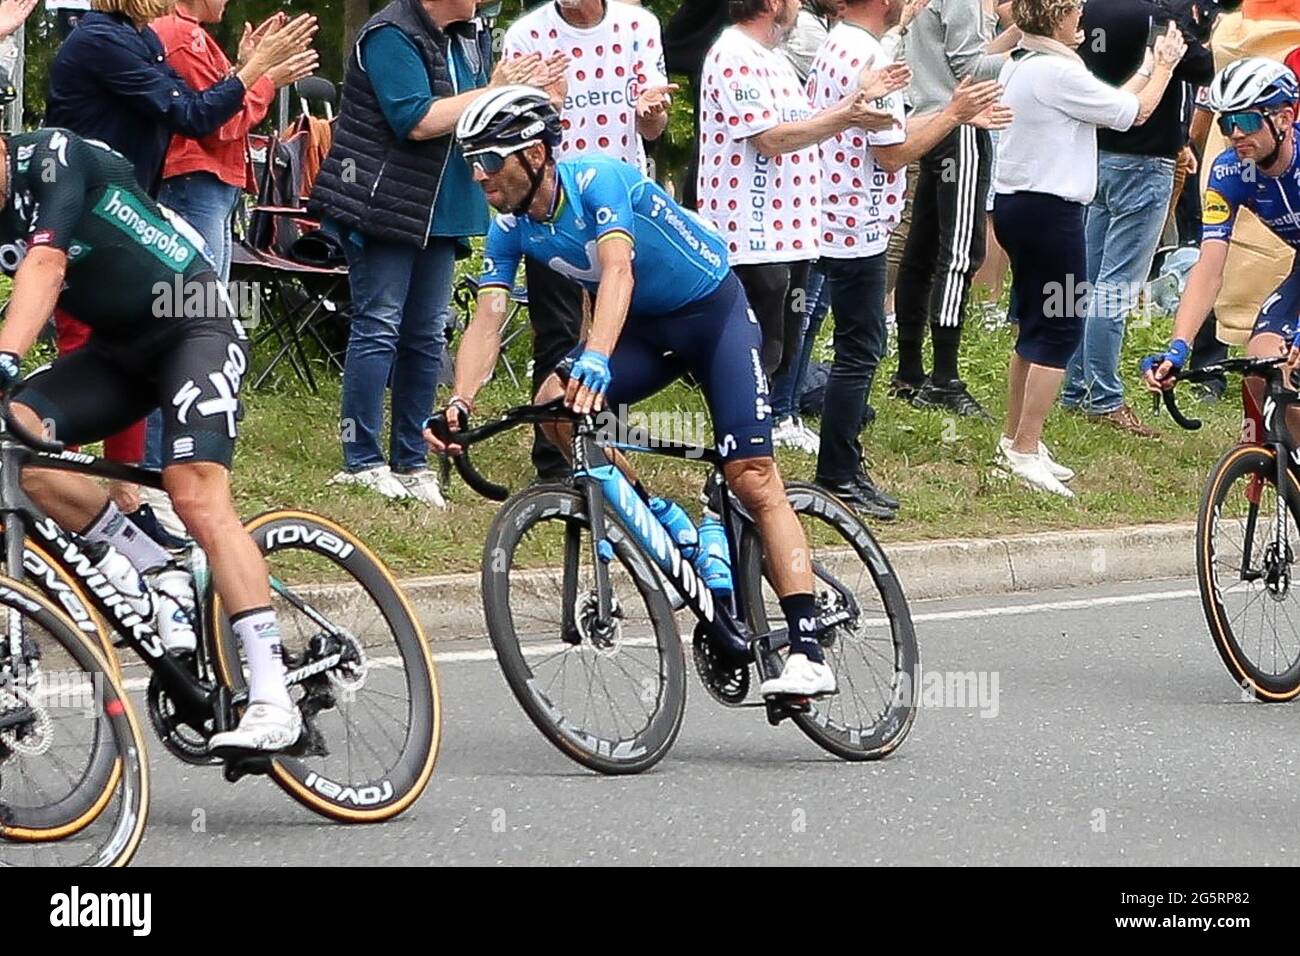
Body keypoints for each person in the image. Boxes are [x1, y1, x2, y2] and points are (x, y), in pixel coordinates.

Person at [427, 86, 840, 696]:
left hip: (713, 316)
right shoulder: (510, 228)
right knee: (553, 405)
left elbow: (618, 270)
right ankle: (668, 525)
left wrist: (595, 356)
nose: (479, 174)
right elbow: (487, 318)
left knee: (751, 474)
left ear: (535, 155)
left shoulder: (599, 181)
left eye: (490, 160)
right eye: (472, 162)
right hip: (645, 330)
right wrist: (460, 402)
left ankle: (807, 647)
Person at [0, 129, 301, 752]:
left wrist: (6, 356)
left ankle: (274, 695)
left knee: (195, 496)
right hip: (116, 353)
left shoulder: (51, 157)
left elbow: (47, 264)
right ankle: (145, 561)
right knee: (15, 448)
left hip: (192, 320)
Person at [46, 0, 315, 535]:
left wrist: (250, 71)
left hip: (121, 214)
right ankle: (52, 484)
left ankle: (127, 494)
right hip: (81, 214)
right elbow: (195, 118)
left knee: (132, 344)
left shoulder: (137, 38)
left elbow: (208, 107)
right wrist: (254, 69)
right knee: (84, 348)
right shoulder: (103, 40)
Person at [310, 0, 540, 505]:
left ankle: (412, 462)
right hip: (386, 204)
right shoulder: (390, 33)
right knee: (379, 325)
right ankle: (361, 460)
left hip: (443, 207)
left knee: (425, 334)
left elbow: (476, 117)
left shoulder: (471, 32)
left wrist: (523, 95)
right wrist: (490, 91)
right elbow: (415, 119)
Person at [807, 0, 1010, 517]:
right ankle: (838, 471)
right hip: (854, 226)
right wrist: (955, 113)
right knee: (861, 348)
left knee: (857, 337)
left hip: (836, 215)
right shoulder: (866, 54)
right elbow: (892, 152)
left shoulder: (845, 40)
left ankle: (845, 460)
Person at [994, 3, 1185, 497]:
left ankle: (1014, 439)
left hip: (1020, 205)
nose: (1083, 17)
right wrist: (1163, 66)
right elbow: (1133, 114)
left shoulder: (1027, 62)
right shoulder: (1058, 70)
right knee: (1058, 330)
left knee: (1032, 326)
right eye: (1076, 10)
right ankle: (1025, 446)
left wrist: (1145, 65)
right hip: (1049, 212)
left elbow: (1106, 105)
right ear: (1057, 18)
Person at [697, 0, 902, 456]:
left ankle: (751, 461)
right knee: (755, 364)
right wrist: (848, 115)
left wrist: (854, 103)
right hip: (752, 239)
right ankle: (740, 468)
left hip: (789, 236)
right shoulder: (733, 54)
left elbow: (805, 126)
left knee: (778, 360)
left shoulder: (772, 59)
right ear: (771, 4)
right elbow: (769, 139)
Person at [501, 0, 674, 483]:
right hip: (550, 203)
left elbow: (655, 127)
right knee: (556, 332)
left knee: (612, 336)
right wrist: (546, 105)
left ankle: (602, 446)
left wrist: (650, 113)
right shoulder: (526, 35)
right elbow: (512, 131)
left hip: (616, 202)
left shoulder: (640, 26)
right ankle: (555, 462)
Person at [1056, 0, 1214, 438]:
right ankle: (1104, 395)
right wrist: (1184, 21)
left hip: (1096, 153)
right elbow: (1202, 67)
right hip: (1145, 158)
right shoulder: (1160, 16)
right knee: (1117, 284)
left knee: (1083, 279)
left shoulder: (1089, 10)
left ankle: (1073, 386)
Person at [1145, 59, 1300, 428]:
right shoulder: (1230, 171)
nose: (1234, 134)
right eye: (1226, 123)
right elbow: (1209, 267)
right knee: (1262, 367)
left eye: (1245, 121)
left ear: (1284, 118)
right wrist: (1179, 347)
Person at [888, 0, 1008, 419]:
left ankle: (909, 370)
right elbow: (971, 67)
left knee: (921, 249)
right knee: (959, 253)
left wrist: (1018, 33)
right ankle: (945, 377)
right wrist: (1028, 58)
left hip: (927, 118)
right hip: (961, 126)